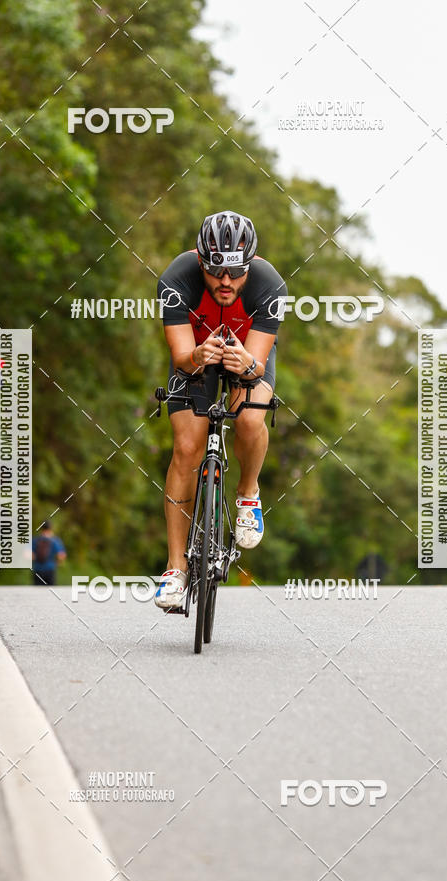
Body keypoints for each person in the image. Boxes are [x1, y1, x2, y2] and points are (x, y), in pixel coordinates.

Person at [154, 210, 285, 608]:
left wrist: (245, 363)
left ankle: (248, 493)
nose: (225, 282)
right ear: (200, 260)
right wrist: (197, 356)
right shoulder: (175, 280)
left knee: (249, 417)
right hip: (196, 355)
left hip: (247, 353)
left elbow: (258, 365)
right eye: (215, 271)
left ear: (250, 265)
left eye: (235, 272)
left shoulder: (271, 286)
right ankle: (175, 569)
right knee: (187, 448)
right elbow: (180, 356)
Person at [31, 521, 66, 585]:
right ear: (51, 528)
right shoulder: (55, 540)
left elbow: (29, 555)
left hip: (37, 569)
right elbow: (61, 556)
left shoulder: (36, 540)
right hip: (50, 569)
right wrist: (57, 563)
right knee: (50, 592)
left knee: (36, 593)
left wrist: (37, 558)